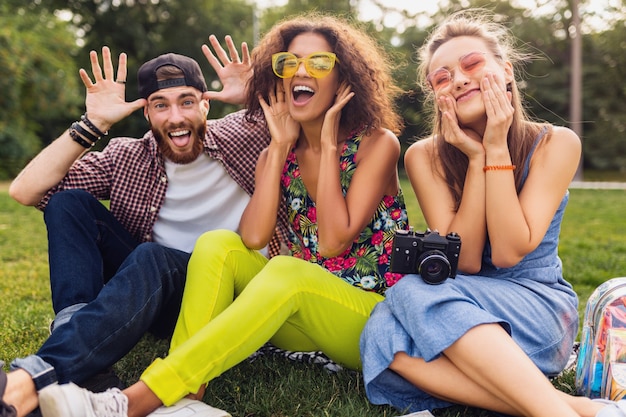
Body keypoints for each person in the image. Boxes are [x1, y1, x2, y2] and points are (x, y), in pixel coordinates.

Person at [34, 12, 410, 417]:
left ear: (344, 79)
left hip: (367, 317)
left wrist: (330, 145)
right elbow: (251, 238)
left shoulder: (378, 143)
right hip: (298, 317)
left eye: (319, 63)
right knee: (217, 243)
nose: (302, 71)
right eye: (288, 63)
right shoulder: (277, 151)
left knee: (287, 271)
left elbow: (334, 241)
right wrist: (279, 149)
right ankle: (187, 398)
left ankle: (133, 401)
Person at [1, 36, 288, 417]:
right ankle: (89, 361)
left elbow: (310, 120)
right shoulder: (128, 156)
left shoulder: (246, 131)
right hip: (163, 300)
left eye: (187, 101)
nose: (176, 117)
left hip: (235, 293)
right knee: (68, 203)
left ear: (206, 103)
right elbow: (25, 190)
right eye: (161, 105)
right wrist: (94, 122)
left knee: (153, 256)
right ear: (147, 115)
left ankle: (37, 378)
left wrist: (252, 96)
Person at [359, 8, 626, 417]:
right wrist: (474, 156)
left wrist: (496, 149)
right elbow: (464, 261)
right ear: (436, 95)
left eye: (472, 64)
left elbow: (506, 252)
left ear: (506, 73)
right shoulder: (423, 156)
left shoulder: (557, 143)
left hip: (535, 308)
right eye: (443, 77)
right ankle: (581, 410)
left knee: (408, 295)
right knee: (380, 332)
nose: (460, 79)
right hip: (458, 298)